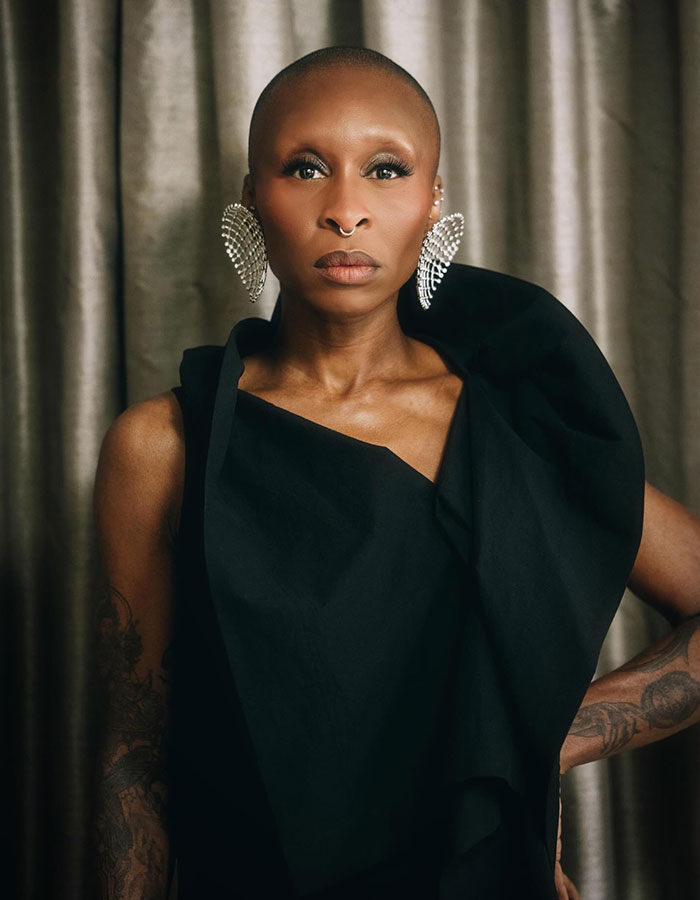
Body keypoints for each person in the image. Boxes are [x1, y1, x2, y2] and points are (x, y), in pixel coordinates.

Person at [92, 46, 700, 900]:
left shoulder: (514, 430)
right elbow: (135, 752)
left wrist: (535, 734)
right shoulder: (161, 443)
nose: (346, 210)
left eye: (386, 169)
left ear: (433, 203)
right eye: (306, 167)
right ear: (250, 203)